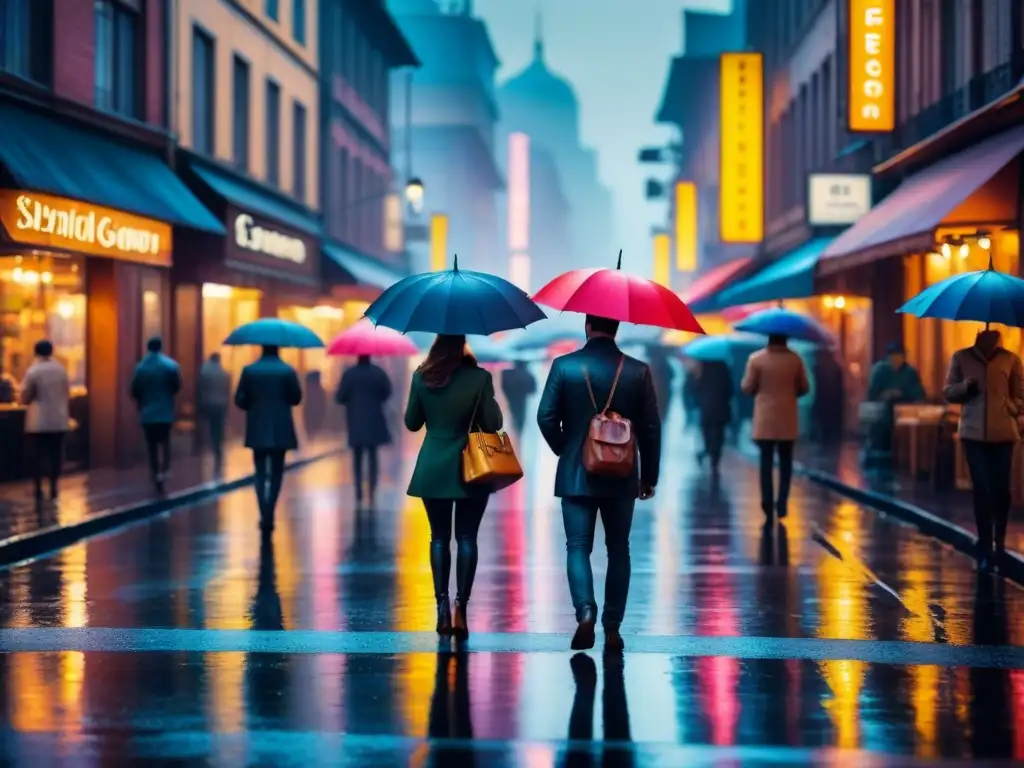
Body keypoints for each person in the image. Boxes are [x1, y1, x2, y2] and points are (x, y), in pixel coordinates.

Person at [537, 314, 662, 653]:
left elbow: (545, 416)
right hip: (622, 476)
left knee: (577, 545)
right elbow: (651, 427)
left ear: (587, 327)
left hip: (577, 474)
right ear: (617, 328)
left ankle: (585, 611)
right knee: (619, 548)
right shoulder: (638, 370)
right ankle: (613, 626)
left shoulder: (564, 366)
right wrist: (648, 475)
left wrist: (567, 450)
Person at [404, 334, 503, 640]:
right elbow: (493, 422)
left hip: (434, 466)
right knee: (467, 536)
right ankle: (462, 607)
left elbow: (411, 423)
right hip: (470, 467)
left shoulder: (422, 376)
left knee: (438, 537)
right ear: (463, 344)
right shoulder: (479, 377)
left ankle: (442, 608)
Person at [943, 329, 1024, 571]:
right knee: (982, 488)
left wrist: (1011, 406)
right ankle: (985, 543)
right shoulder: (961, 357)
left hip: (1003, 434)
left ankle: (999, 540)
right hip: (973, 434)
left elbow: (1021, 394)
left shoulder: (1011, 359)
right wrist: (965, 388)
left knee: (1001, 489)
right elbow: (948, 391)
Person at [235, 344, 303, 535]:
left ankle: (263, 509)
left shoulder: (249, 371)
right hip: (281, 426)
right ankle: (270, 510)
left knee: (259, 471)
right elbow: (296, 398)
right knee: (276, 472)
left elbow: (240, 399)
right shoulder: (287, 371)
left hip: (257, 425)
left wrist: (252, 404)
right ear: (278, 349)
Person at [741, 334, 810, 522]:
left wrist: (759, 387)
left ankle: (767, 502)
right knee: (786, 462)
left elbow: (746, 387)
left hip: (765, 419)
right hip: (788, 417)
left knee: (766, 462)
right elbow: (804, 387)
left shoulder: (757, 359)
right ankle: (782, 503)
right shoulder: (795, 359)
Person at [336, 354, 393, 506]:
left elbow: (340, 397)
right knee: (373, 455)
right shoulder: (378, 372)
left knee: (357, 456)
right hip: (374, 418)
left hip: (355, 419)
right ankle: (372, 489)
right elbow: (387, 393)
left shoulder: (349, 374)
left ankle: (359, 490)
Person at [19, 340, 69, 501]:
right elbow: (66, 392)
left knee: (37, 456)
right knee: (55, 455)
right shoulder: (61, 370)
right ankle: (54, 486)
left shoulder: (34, 371)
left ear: (36, 352)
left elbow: (25, 396)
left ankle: (38, 488)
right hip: (58, 420)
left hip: (38, 422)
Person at [130, 337, 181, 493]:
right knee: (165, 441)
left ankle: (155, 472)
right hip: (165, 411)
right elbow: (176, 386)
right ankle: (165, 469)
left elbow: (134, 390)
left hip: (148, 412)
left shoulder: (141, 367)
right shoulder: (170, 366)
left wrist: (143, 400)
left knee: (151, 444)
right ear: (161, 347)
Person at [865, 342, 926, 458]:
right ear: (888, 357)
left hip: (905, 409)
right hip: (883, 409)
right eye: (893, 357)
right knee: (882, 419)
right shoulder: (880, 371)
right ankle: (879, 450)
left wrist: (902, 394)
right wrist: (885, 395)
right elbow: (872, 394)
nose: (896, 360)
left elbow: (919, 394)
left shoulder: (910, 372)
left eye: (899, 357)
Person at [695, 359, 733, 473]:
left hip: (707, 408)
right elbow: (730, 390)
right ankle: (715, 459)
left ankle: (706, 451)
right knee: (719, 434)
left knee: (707, 433)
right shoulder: (724, 369)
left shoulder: (704, 369)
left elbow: (696, 388)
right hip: (721, 408)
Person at [198, 352, 231, 468]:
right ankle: (218, 448)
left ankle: (213, 446)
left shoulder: (204, 373)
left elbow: (201, 389)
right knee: (219, 427)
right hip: (221, 404)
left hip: (209, 404)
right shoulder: (224, 374)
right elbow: (227, 392)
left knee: (212, 427)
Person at [500, 360, 536, 435]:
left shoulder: (506, 373)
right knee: (517, 423)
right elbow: (532, 389)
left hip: (507, 401)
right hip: (519, 404)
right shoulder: (526, 375)